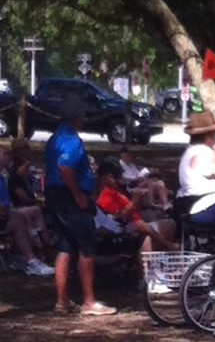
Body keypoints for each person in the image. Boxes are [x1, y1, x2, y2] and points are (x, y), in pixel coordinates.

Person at [43, 94, 116, 315]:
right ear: (78, 117)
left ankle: (62, 300)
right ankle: (89, 301)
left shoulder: (54, 138)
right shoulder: (72, 141)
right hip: (70, 197)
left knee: (65, 247)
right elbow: (65, 167)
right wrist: (78, 195)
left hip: (54, 195)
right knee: (87, 246)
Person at [94, 161, 177, 254]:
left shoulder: (116, 190)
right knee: (149, 229)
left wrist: (138, 200)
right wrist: (134, 200)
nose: (118, 180)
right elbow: (120, 216)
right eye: (114, 177)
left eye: (119, 176)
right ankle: (169, 248)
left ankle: (166, 253)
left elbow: (132, 208)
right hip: (123, 229)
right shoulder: (104, 195)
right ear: (105, 177)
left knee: (169, 222)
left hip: (136, 220)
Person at [0, 145, 54, 276]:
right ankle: (31, 261)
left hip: (7, 212)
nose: (9, 157)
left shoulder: (2, 175)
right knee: (19, 218)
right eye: (5, 154)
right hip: (3, 216)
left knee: (35, 210)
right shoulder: (13, 178)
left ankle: (43, 250)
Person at [177, 110, 215, 224]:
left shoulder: (188, 153)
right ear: (209, 135)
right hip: (205, 206)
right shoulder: (207, 154)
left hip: (188, 204)